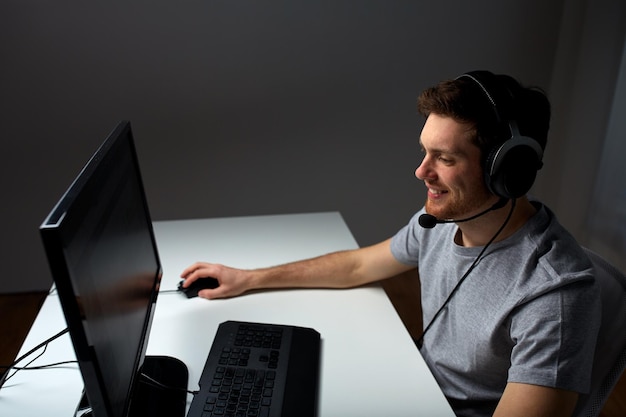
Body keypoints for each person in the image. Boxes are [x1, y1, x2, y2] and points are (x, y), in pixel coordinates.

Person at [180, 70, 601, 417]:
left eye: (445, 159)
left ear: (507, 172)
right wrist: (249, 278)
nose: (421, 172)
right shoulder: (442, 222)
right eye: (424, 152)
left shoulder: (554, 294)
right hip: (413, 388)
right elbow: (359, 267)